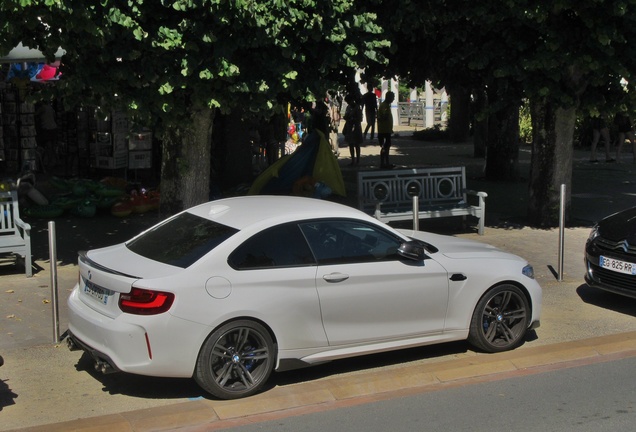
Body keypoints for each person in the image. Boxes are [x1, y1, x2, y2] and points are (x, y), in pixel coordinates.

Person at [343, 92, 363, 165]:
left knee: (357, 144)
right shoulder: (348, 107)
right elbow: (346, 115)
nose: (348, 103)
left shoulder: (357, 107)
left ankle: (357, 160)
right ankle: (353, 160)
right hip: (349, 126)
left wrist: (353, 119)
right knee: (351, 144)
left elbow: (360, 118)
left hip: (356, 127)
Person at [377, 91, 395, 168]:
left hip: (386, 129)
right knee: (385, 147)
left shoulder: (386, 105)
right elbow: (383, 117)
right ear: (389, 97)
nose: (393, 99)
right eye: (392, 97)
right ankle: (384, 163)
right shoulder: (384, 106)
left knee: (387, 147)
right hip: (384, 130)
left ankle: (386, 163)